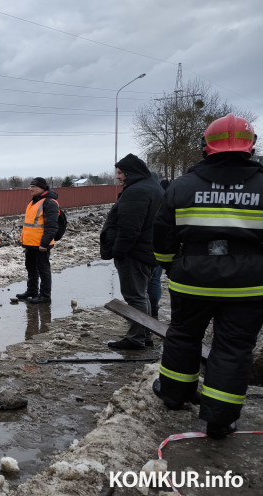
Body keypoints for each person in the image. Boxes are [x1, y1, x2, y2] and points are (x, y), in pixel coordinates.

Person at [152, 114, 263, 439]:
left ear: (205, 147)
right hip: (249, 286)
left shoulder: (182, 186)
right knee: (234, 348)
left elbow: (163, 236)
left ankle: (173, 396)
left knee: (184, 335)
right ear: (250, 146)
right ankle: (220, 420)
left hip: (192, 280)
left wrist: (172, 266)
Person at [101, 154, 164, 349]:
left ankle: (136, 338)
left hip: (134, 254)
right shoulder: (153, 188)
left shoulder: (137, 192)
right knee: (142, 295)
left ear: (130, 173)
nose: (118, 177)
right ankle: (144, 335)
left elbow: (129, 229)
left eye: (120, 173)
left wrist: (118, 251)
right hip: (148, 251)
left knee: (135, 296)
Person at [16, 177, 58, 304]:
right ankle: (32, 291)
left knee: (43, 270)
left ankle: (45, 296)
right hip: (30, 244)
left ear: (42, 188)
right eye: (30, 186)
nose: (31, 189)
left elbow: (52, 226)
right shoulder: (33, 202)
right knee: (31, 268)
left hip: (41, 245)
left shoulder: (49, 203)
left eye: (33, 187)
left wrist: (44, 243)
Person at [146, 178, 171, 319]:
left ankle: (146, 315)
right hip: (158, 245)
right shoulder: (165, 196)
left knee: (143, 285)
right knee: (155, 281)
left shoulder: (143, 195)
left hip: (146, 246)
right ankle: (154, 312)